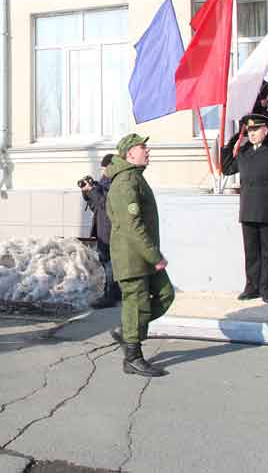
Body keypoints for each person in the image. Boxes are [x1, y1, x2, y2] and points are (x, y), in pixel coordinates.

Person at [106, 134, 173, 377]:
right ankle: (133, 356)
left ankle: (127, 330)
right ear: (129, 154)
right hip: (132, 258)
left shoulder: (135, 178)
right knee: (136, 302)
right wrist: (155, 257)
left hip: (142, 256)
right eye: (142, 147)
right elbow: (132, 227)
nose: (148, 150)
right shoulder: (126, 182)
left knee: (165, 294)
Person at [222, 114, 268, 304]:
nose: (251, 134)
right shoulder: (245, 151)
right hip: (248, 209)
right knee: (251, 252)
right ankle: (251, 287)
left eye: (255, 130)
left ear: (265, 130)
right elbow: (227, 168)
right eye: (249, 131)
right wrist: (231, 143)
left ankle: (267, 289)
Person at [81, 153, 121, 309]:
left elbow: (107, 206)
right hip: (101, 229)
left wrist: (93, 192)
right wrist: (87, 193)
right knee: (107, 264)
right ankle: (114, 293)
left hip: (110, 230)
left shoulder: (116, 184)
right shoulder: (104, 183)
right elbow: (96, 206)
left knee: (110, 265)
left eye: (105, 168)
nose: (103, 171)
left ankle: (110, 296)